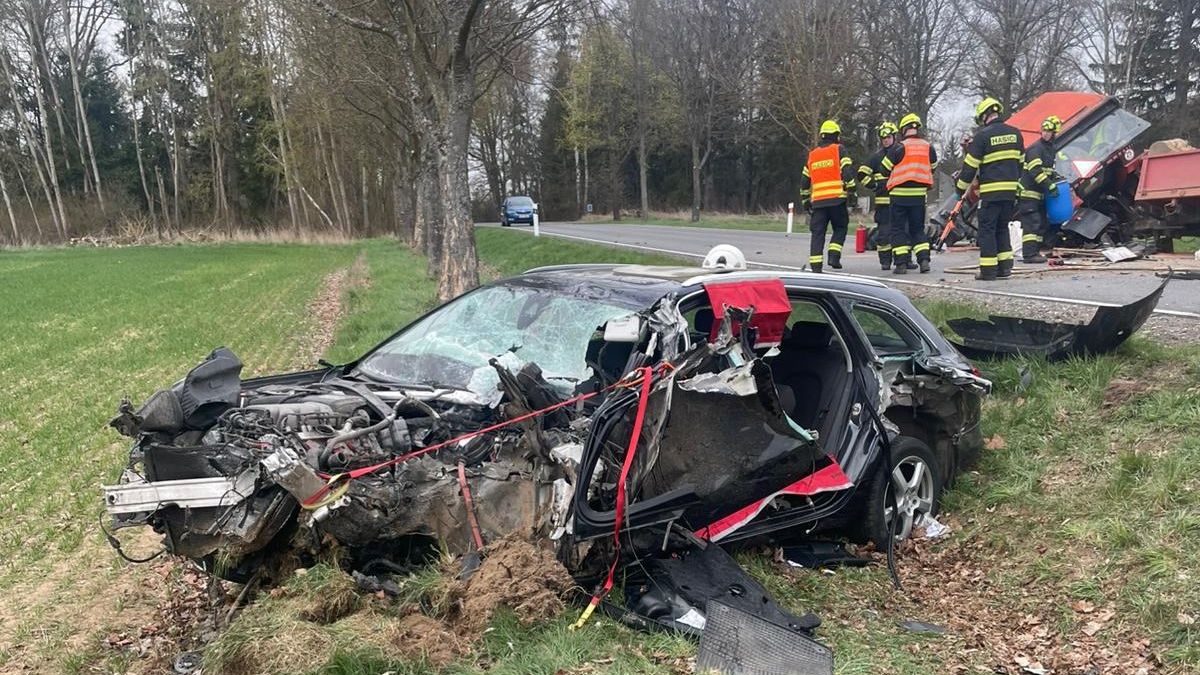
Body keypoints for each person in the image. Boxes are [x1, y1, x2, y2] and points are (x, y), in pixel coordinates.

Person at [955, 97, 1025, 281]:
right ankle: (1005, 268)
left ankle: (988, 271)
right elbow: (1022, 164)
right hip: (1010, 193)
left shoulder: (983, 137)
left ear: (985, 116)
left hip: (990, 194)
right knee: (1002, 228)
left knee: (987, 230)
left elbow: (969, 168)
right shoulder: (1016, 133)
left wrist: (960, 190)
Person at [880, 113, 938, 274]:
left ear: (904, 129)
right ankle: (924, 260)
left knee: (898, 229)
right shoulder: (928, 147)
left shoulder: (899, 147)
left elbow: (884, 169)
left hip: (898, 195)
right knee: (917, 229)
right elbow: (933, 167)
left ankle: (900, 265)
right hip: (919, 196)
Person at [799, 120, 856, 273]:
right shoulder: (839, 149)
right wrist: (852, 191)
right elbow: (847, 171)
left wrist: (805, 201)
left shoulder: (812, 155)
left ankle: (816, 267)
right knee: (840, 227)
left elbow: (804, 180)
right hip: (837, 200)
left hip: (817, 203)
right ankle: (834, 256)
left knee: (817, 234)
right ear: (836, 135)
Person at [1017, 115, 1062, 264]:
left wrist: (1055, 178)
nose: (1046, 133)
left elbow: (1048, 170)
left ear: (1055, 133)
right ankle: (1029, 255)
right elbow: (1035, 171)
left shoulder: (1050, 149)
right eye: (1044, 130)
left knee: (1042, 222)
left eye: (1049, 131)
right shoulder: (1036, 148)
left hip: (1039, 194)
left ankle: (1037, 251)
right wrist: (1049, 185)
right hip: (1028, 193)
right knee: (1032, 222)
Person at [858, 122, 898, 270]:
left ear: (894, 136)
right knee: (884, 235)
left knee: (903, 232)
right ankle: (885, 261)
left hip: (900, 201)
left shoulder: (902, 153)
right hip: (883, 204)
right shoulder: (876, 157)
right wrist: (874, 185)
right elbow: (861, 174)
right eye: (883, 138)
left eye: (888, 137)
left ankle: (904, 261)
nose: (886, 140)